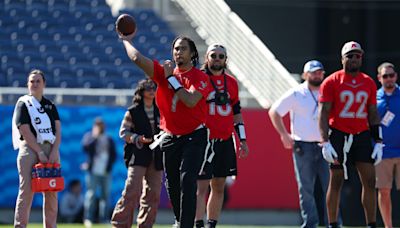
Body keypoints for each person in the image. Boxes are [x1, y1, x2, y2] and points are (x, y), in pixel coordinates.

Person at [116, 26, 213, 228]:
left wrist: (170, 79)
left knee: (187, 179)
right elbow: (137, 59)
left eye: (183, 48)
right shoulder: (163, 73)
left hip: (195, 135)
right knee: (173, 184)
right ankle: (180, 220)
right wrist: (125, 40)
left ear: (192, 53)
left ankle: (186, 225)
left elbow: (190, 100)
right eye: (176, 48)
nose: (178, 52)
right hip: (170, 136)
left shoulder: (200, 77)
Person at [318, 41, 383, 228]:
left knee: (370, 180)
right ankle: (332, 224)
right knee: (336, 181)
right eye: (350, 55)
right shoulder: (331, 81)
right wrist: (325, 141)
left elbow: (372, 113)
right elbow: (323, 113)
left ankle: (371, 224)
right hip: (338, 134)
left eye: (357, 56)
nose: (354, 59)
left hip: (361, 134)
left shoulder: (368, 82)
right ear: (342, 58)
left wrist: (378, 140)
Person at [269, 60, 329, 228]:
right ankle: (310, 223)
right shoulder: (296, 93)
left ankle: (333, 222)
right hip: (303, 146)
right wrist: (284, 135)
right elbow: (275, 111)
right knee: (306, 188)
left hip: (325, 144)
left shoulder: (328, 90)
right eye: (313, 72)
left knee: (330, 187)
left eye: (319, 72)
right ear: (305, 75)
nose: (317, 75)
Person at [195, 44, 249, 228]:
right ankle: (198, 223)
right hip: (204, 140)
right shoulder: (199, 78)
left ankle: (211, 224)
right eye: (213, 55)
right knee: (201, 187)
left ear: (225, 59)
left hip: (225, 140)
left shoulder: (232, 83)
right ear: (206, 58)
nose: (217, 58)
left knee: (218, 185)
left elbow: (236, 112)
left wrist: (242, 139)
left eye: (221, 56)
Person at [11, 69, 62, 228]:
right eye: (31, 81)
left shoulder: (50, 105)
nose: (34, 84)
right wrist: (39, 152)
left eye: (38, 81)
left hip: (50, 149)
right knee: (26, 191)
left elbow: (58, 130)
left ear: (44, 84)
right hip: (30, 149)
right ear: (27, 84)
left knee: (52, 191)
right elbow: (24, 129)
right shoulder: (24, 103)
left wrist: (53, 151)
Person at [111, 79, 163, 228]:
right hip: (138, 154)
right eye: (148, 88)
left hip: (157, 156)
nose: (152, 90)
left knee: (153, 193)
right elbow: (123, 132)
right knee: (132, 190)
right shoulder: (133, 111)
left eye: (154, 87)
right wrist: (138, 138)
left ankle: (146, 225)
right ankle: (120, 224)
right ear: (141, 91)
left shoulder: (161, 109)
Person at [375, 62, 400, 228]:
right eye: (385, 76)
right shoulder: (374, 98)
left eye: (391, 75)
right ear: (379, 78)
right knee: (384, 191)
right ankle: (388, 226)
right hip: (383, 153)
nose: (389, 79)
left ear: (396, 76)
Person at [82, 117, 117, 226]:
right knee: (91, 194)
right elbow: (85, 147)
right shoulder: (90, 137)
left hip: (106, 171)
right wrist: (95, 137)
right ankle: (88, 218)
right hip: (93, 171)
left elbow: (114, 154)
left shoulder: (108, 138)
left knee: (105, 196)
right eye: (97, 125)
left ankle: (104, 218)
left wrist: (109, 166)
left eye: (101, 125)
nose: (100, 127)